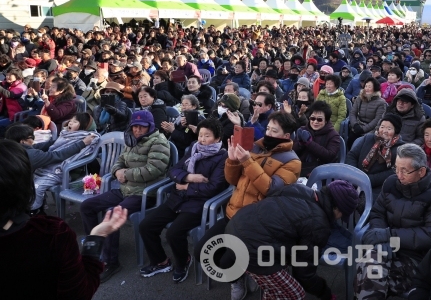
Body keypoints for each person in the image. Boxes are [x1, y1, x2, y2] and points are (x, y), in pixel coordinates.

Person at [0, 139, 128, 299]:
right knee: (88, 207)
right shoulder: (52, 234)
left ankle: (112, 261)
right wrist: (95, 239)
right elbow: (80, 292)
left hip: (131, 190)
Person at [192, 111, 301, 300]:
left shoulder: (292, 161)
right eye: (267, 128)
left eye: (274, 131)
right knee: (202, 251)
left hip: (255, 223)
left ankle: (243, 276)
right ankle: (242, 275)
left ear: (286, 136)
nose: (268, 133)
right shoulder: (255, 148)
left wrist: (246, 160)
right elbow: (233, 180)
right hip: (233, 213)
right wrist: (233, 160)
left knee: (227, 260)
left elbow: (271, 189)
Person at [225, 180, 358, 300]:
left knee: (278, 289)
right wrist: (326, 294)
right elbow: (304, 274)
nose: (340, 218)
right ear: (337, 208)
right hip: (251, 249)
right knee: (294, 293)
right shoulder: (319, 225)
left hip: (236, 226)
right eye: (342, 214)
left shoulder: (298, 189)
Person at [354, 143, 431, 299]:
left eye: (405, 171)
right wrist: (381, 240)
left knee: (369, 278)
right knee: (370, 266)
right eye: (396, 168)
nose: (399, 175)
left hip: (418, 258)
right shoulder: (391, 183)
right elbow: (378, 213)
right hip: (386, 247)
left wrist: (389, 236)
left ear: (421, 171)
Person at [80, 110, 170, 283]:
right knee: (87, 206)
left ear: (150, 126)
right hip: (126, 189)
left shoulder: (159, 142)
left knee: (114, 213)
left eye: (141, 127)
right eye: (134, 126)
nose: (137, 130)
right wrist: (117, 171)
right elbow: (119, 161)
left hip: (145, 193)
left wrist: (126, 174)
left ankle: (111, 262)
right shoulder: (131, 139)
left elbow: (154, 169)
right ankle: (97, 246)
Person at [139, 118, 229, 284]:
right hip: (177, 199)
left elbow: (214, 187)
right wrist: (189, 177)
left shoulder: (222, 158)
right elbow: (173, 171)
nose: (202, 139)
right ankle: (161, 261)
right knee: (146, 225)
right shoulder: (193, 149)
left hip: (198, 205)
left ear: (217, 138)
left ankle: (183, 261)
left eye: (207, 136)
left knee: (174, 233)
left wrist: (187, 187)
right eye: (200, 135)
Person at [5, 122, 97, 215]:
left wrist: (63, 140)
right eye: (31, 137)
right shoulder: (31, 155)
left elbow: (40, 146)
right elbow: (58, 155)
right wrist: (82, 143)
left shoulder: (10, 148)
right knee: (36, 186)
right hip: (12, 189)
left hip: (9, 187)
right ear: (22, 141)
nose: (33, 139)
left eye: (74, 121)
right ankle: (33, 212)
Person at [347, 114, 404, 199]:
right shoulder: (368, 138)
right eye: (382, 127)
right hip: (355, 180)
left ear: (396, 131)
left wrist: (366, 179)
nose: (384, 131)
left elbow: (393, 172)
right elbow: (352, 155)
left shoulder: (400, 149)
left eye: (389, 128)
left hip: (378, 187)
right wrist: (355, 175)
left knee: (363, 203)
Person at [293, 101, 341, 177]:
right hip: (300, 168)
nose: (315, 122)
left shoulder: (333, 135)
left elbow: (329, 156)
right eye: (312, 118)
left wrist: (310, 143)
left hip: (321, 172)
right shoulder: (303, 130)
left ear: (326, 121)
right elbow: (292, 152)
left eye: (319, 119)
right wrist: (300, 144)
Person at [160, 94, 204, 159]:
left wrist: (173, 131)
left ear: (194, 106)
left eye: (186, 104)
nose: (183, 107)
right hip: (173, 144)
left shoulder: (196, 119)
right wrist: (168, 130)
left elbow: (187, 140)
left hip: (183, 150)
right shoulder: (180, 117)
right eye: (182, 104)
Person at [349, 77, 388, 145]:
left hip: (371, 130)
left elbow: (377, 120)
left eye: (369, 87)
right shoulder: (359, 98)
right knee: (350, 140)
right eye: (366, 86)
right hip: (358, 125)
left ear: (375, 88)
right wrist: (355, 125)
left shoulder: (381, 103)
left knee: (365, 142)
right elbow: (353, 113)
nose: (366, 88)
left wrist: (363, 129)